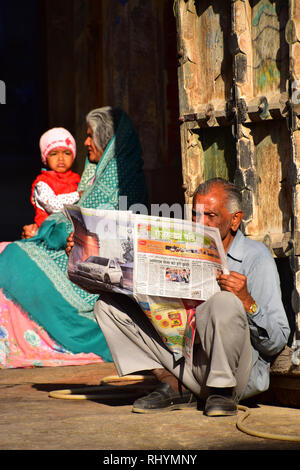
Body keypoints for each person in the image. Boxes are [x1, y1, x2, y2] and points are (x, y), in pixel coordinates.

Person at [91, 178, 290, 416]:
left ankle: (221, 392)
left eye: (210, 216)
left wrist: (247, 301)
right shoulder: (181, 247)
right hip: (186, 365)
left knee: (223, 301)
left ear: (235, 220)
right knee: (108, 306)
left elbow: (277, 341)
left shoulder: (256, 258)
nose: (200, 224)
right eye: (195, 215)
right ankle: (174, 383)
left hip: (235, 376)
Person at [0, 106, 148, 368]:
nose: (86, 142)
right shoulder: (98, 177)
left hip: (96, 271)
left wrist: (53, 232)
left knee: (11, 257)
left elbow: (88, 231)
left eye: (91, 136)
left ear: (107, 139)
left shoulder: (118, 181)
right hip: (76, 252)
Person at [31, 127, 81, 229]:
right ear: (45, 158)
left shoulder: (77, 179)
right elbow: (54, 205)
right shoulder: (42, 183)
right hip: (50, 229)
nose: (61, 158)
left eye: (67, 153)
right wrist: (77, 195)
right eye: (54, 154)